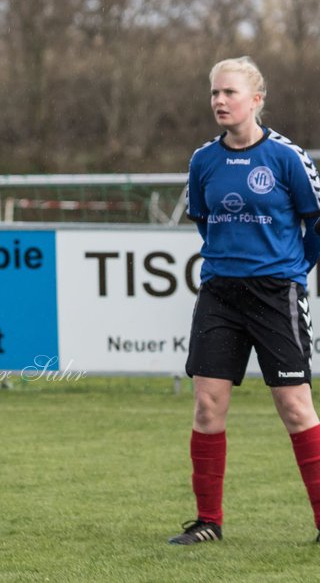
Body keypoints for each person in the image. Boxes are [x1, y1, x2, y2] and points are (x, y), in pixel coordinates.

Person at [170, 56, 320, 545]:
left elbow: (315, 224)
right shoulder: (203, 161)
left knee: (295, 407)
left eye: (229, 93)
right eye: (214, 93)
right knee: (207, 408)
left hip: (277, 293)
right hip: (219, 293)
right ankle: (208, 522)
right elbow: (203, 220)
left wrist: (293, 274)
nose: (219, 101)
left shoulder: (287, 157)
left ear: (256, 99)